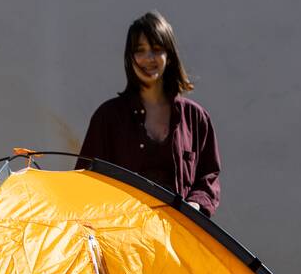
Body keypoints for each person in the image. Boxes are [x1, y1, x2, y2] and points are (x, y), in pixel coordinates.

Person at [77, 11, 221, 217]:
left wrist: (195, 205)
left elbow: (209, 177)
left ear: (169, 56)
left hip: (178, 238)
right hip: (123, 239)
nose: (148, 58)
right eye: (140, 50)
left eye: (156, 49)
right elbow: (86, 180)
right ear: (130, 57)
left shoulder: (196, 118)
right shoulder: (108, 117)